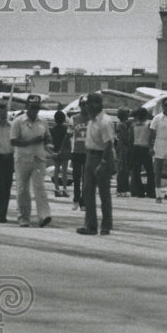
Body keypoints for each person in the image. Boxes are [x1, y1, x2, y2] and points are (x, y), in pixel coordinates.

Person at [11, 94, 53, 228]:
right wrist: (31, 142)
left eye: (37, 107)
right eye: (32, 107)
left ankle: (44, 216)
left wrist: (48, 142)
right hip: (22, 159)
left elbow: (48, 137)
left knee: (39, 187)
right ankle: (24, 217)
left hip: (39, 158)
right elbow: (13, 141)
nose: (35, 110)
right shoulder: (18, 121)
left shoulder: (43, 121)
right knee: (23, 189)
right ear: (27, 106)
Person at [77, 92, 115, 235]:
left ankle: (106, 225)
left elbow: (108, 144)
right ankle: (91, 225)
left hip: (101, 157)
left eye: (88, 104)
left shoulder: (105, 121)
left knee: (104, 193)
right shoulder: (91, 120)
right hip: (90, 156)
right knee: (87, 191)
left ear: (96, 104)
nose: (85, 107)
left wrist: (104, 163)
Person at [69, 96, 89, 211]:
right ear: (80, 106)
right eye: (83, 104)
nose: (85, 107)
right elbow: (69, 134)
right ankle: (76, 199)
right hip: (76, 151)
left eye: (87, 104)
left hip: (88, 152)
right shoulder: (74, 118)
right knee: (76, 176)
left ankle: (84, 202)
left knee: (86, 178)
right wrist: (63, 149)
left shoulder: (93, 119)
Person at [129, 107, 155, 198]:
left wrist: (131, 150)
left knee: (136, 171)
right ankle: (150, 191)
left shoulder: (133, 125)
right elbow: (152, 136)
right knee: (150, 171)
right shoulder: (149, 124)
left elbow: (131, 139)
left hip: (136, 148)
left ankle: (139, 191)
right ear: (146, 115)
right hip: (145, 148)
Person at [49, 109, 71, 197]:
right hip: (64, 151)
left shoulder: (52, 129)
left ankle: (56, 188)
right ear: (64, 119)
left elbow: (51, 140)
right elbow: (68, 140)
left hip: (55, 151)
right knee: (65, 171)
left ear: (55, 119)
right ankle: (65, 189)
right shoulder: (66, 129)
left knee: (56, 170)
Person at [115, 108, 133, 197]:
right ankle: (122, 189)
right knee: (123, 169)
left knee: (122, 169)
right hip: (123, 149)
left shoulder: (120, 124)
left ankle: (122, 188)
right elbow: (126, 138)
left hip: (120, 148)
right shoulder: (123, 125)